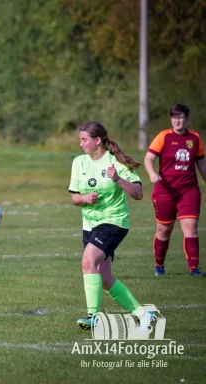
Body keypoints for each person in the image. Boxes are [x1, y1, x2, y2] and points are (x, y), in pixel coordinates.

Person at [69, 121, 154, 331]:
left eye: (84, 140)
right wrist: (84, 198)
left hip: (114, 221)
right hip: (90, 225)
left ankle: (94, 316)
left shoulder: (115, 163)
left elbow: (138, 193)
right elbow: (73, 198)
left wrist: (117, 179)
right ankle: (143, 314)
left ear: (97, 141)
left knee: (88, 260)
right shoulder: (79, 162)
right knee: (104, 277)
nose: (81, 144)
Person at [144, 104, 206, 277]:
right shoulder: (164, 136)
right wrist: (152, 173)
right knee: (164, 231)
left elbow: (201, 163)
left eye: (180, 117)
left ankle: (194, 269)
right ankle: (159, 266)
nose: (177, 121)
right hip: (165, 191)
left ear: (186, 119)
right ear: (171, 119)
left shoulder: (194, 138)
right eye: (174, 117)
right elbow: (149, 158)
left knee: (191, 227)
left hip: (189, 189)